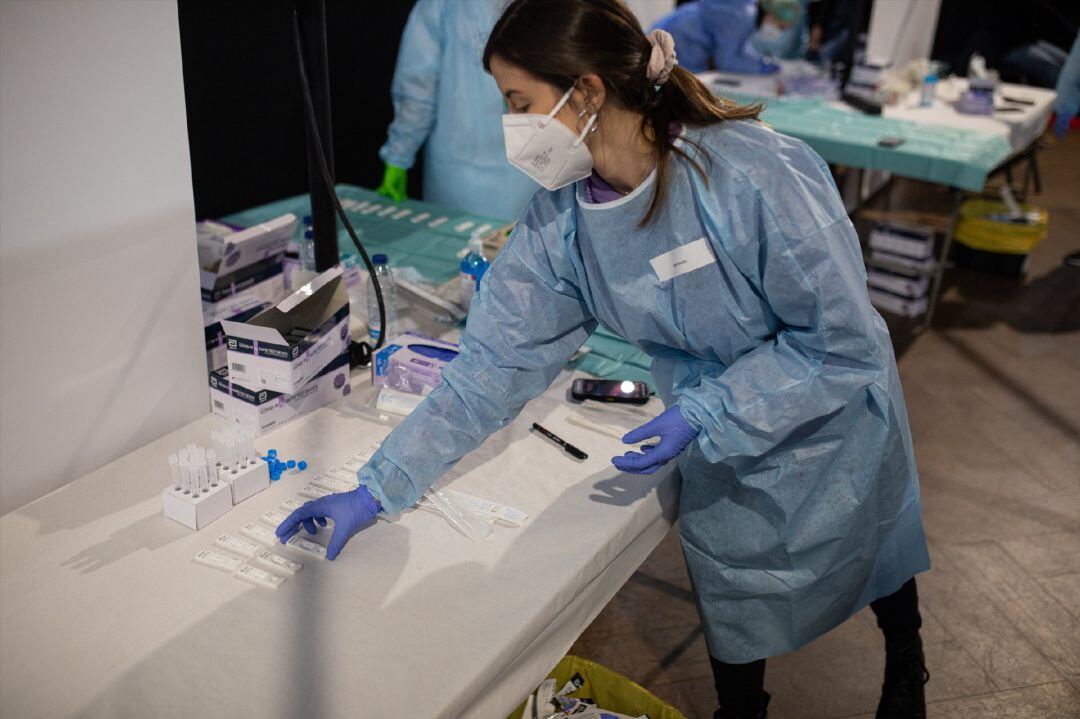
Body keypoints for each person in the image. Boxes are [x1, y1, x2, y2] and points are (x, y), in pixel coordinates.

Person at [280, 2, 931, 717]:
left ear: (586, 92)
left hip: (830, 419)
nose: (513, 129)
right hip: (719, 442)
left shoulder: (751, 176)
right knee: (735, 594)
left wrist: (710, 408)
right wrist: (378, 487)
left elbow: (840, 340)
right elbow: (487, 372)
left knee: (874, 548)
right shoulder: (564, 221)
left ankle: (908, 663)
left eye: (519, 103)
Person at [375, 0, 537, 220]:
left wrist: (399, 153)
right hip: (534, 167)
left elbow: (418, 88)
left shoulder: (440, 5)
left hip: (458, 175)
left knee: (455, 248)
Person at [652, 0, 779, 74]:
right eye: (781, 26)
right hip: (684, 38)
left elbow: (737, 50)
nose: (778, 30)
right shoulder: (742, 16)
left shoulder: (746, 9)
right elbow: (726, 61)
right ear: (771, 14)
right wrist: (764, 67)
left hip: (679, 26)